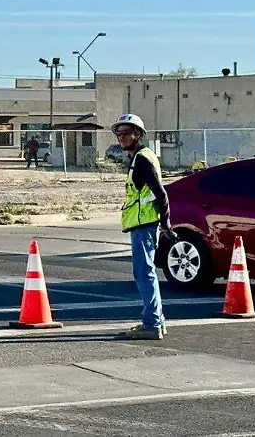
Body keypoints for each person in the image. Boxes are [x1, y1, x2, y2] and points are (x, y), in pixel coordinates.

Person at [112, 114, 174, 340]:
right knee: (144, 273)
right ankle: (156, 321)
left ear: (138, 134)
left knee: (144, 273)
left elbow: (161, 194)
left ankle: (152, 323)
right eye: (119, 134)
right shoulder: (138, 158)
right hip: (142, 224)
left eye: (126, 133)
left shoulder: (142, 160)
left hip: (144, 225)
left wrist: (166, 222)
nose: (121, 137)